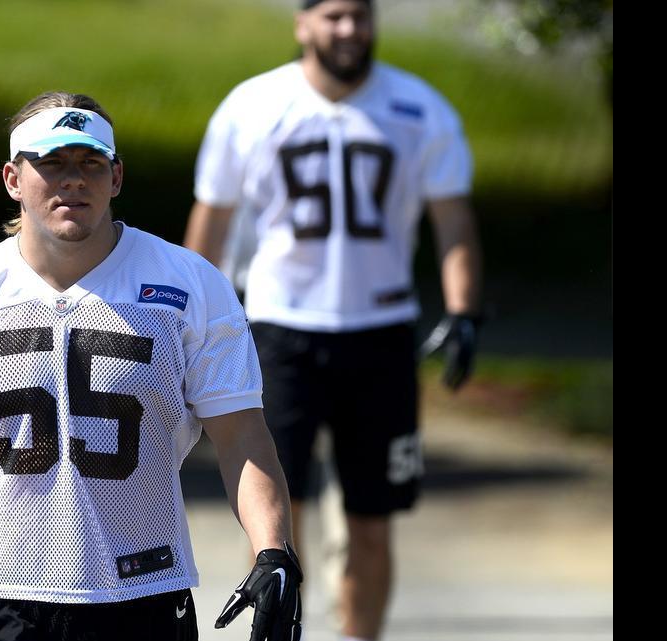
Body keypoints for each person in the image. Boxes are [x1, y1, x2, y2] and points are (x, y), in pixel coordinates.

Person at [0, 91, 302, 641]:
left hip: (144, 589)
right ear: (13, 179)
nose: (72, 179)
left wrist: (273, 550)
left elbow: (242, 435)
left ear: (116, 176)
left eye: (90, 162)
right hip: (3, 592)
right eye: (51, 162)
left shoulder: (189, 284)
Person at [183, 1, 484, 640]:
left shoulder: (418, 107)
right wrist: (185, 321)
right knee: (273, 517)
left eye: (360, 15)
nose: (349, 30)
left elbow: (452, 218)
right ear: (303, 24)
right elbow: (211, 222)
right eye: (334, 16)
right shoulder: (252, 106)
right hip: (278, 330)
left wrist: (463, 310)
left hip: (379, 334)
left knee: (373, 519)